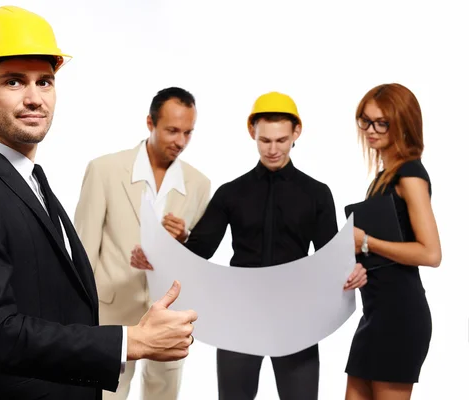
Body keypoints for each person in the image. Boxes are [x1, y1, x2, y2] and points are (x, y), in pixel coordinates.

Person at [0, 6, 197, 400]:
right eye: (14, 82)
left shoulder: (33, 183)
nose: (35, 98)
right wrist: (129, 342)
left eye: (44, 82)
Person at [132, 91, 368, 400]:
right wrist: (157, 257)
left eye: (281, 140)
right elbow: (200, 250)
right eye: (265, 140)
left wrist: (354, 269)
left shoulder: (317, 193)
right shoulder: (231, 193)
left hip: (297, 319)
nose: (272, 149)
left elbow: (328, 258)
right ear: (252, 133)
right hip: (238, 318)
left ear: (296, 133)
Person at [74, 87, 211, 400]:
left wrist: (182, 240)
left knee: (163, 395)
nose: (180, 141)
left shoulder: (200, 184)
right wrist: (79, 318)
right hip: (111, 313)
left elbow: (196, 259)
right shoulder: (104, 169)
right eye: (172, 130)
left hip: (169, 313)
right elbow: (83, 249)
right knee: (106, 395)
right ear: (150, 123)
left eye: (188, 133)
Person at [344, 83, 442, 400]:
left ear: (403, 123)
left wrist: (367, 242)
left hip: (400, 316)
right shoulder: (383, 178)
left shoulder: (409, 175)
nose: (371, 130)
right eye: (365, 120)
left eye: (381, 122)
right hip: (374, 315)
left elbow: (431, 253)